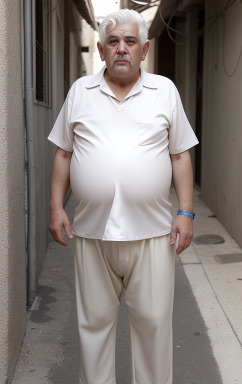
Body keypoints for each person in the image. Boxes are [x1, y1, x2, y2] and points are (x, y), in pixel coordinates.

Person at [48, 9, 198, 384]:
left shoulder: (164, 90)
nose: (122, 49)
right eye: (113, 41)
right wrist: (55, 208)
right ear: (100, 50)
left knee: (154, 327)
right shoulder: (80, 92)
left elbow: (180, 154)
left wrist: (186, 212)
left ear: (144, 49)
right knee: (93, 329)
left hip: (153, 234)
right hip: (92, 232)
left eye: (130, 41)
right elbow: (63, 153)